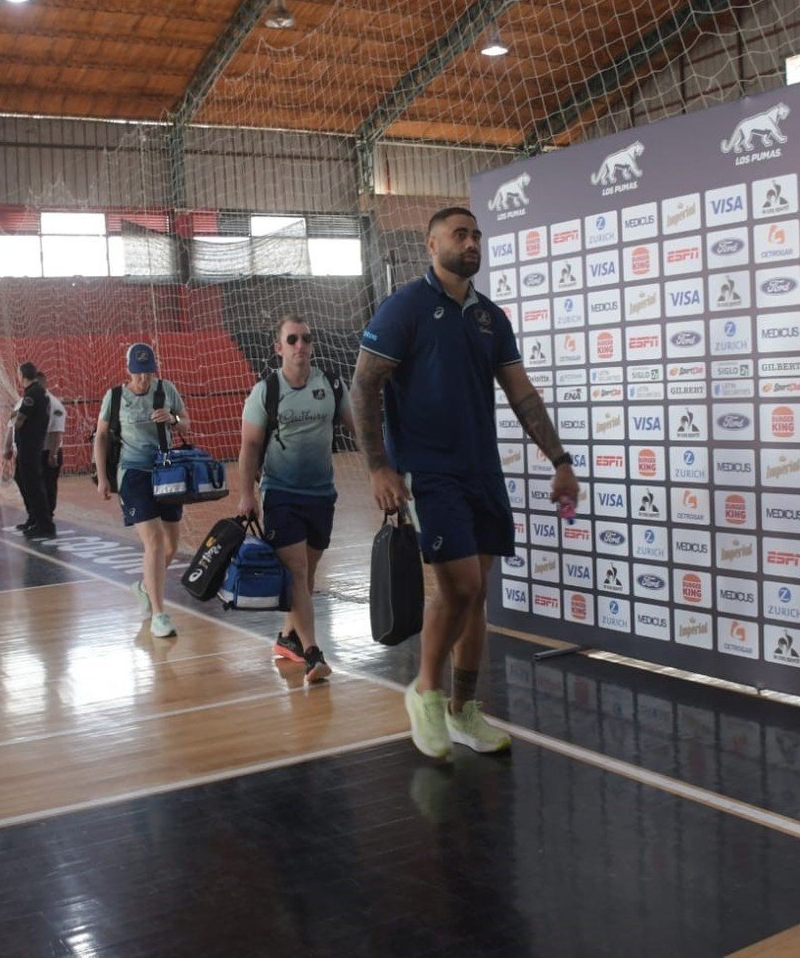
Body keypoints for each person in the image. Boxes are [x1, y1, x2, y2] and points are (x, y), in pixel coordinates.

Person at [353, 206, 578, 759]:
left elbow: (522, 394)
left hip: (483, 470)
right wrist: (379, 467)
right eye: (461, 234)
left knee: (478, 599)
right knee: (460, 589)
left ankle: (464, 712)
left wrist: (560, 459)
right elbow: (362, 388)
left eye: (477, 234)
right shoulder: (406, 306)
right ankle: (425, 693)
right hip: (430, 473)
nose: (472, 242)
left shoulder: (489, 318)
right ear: (432, 245)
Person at [235, 314, 355, 684]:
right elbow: (250, 446)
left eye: (305, 338)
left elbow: (357, 428)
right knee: (298, 571)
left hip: (321, 493)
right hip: (280, 493)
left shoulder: (331, 384)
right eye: (292, 340)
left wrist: (387, 465)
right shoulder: (266, 391)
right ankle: (313, 654)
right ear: (278, 348)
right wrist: (246, 494)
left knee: (308, 572)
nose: (300, 345)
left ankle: (288, 637)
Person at [93, 343, 189, 639]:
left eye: (148, 373)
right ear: (128, 370)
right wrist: (102, 478)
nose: (144, 380)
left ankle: (145, 586)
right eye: (138, 374)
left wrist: (172, 420)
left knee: (172, 545)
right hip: (132, 473)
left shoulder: (166, 390)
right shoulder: (115, 397)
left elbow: (186, 422)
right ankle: (159, 613)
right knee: (155, 541)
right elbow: (100, 436)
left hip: (165, 471)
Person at [8, 362, 53, 539]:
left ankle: (44, 524)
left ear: (22, 375)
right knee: (23, 480)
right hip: (32, 445)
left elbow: (19, 421)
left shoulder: (32, 395)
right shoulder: (39, 393)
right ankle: (35, 518)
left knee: (33, 487)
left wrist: (14, 417)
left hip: (30, 446)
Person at [39, 371, 65, 516]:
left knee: (48, 485)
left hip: (48, 451)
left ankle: (47, 515)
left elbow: (57, 431)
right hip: (33, 451)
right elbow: (12, 423)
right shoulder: (24, 401)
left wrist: (53, 454)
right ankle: (35, 515)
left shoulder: (54, 404)